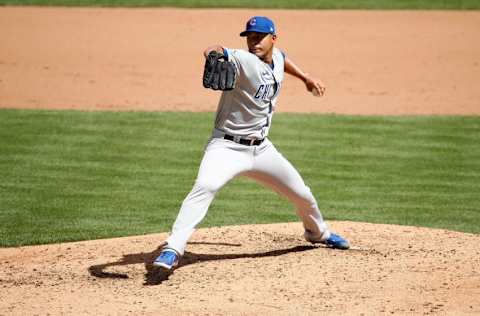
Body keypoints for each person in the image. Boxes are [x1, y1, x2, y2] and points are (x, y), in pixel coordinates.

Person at [153, 16, 349, 270]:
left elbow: (282, 58)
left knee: (302, 194)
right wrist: (213, 55)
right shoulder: (244, 59)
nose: (254, 41)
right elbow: (216, 49)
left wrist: (305, 77)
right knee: (205, 186)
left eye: (259, 36)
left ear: (273, 39)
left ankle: (317, 233)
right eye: (249, 37)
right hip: (226, 147)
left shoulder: (276, 56)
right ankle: (172, 248)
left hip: (262, 149)